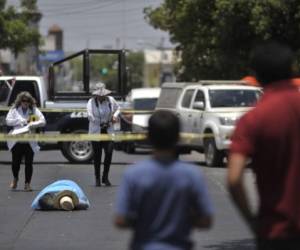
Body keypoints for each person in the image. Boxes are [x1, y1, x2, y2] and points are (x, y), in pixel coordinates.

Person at [227, 41, 300, 250]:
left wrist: (252, 221)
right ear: (291, 68)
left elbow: (233, 179)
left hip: (277, 232)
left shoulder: (253, 119)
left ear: (256, 75)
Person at [114, 110, 213, 250]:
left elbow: (121, 220)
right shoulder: (192, 175)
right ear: (178, 136)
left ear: (149, 137)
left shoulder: (134, 174)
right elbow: (206, 220)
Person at [6, 91, 46, 191]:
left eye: (27, 101)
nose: (25, 103)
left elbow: (43, 121)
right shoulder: (14, 110)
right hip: (17, 140)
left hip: (29, 141)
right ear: (20, 101)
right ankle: (15, 178)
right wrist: (20, 121)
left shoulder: (33, 110)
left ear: (30, 102)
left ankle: (27, 184)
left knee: (29, 163)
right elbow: (7, 121)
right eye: (23, 101)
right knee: (16, 163)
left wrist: (34, 124)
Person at [87, 82, 120, 186]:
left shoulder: (111, 100)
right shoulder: (91, 102)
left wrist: (115, 116)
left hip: (108, 131)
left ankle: (105, 177)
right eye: (99, 95)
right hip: (96, 131)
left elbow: (118, 108)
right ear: (96, 95)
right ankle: (97, 178)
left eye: (103, 95)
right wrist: (100, 122)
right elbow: (90, 116)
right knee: (97, 156)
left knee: (109, 153)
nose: (102, 97)